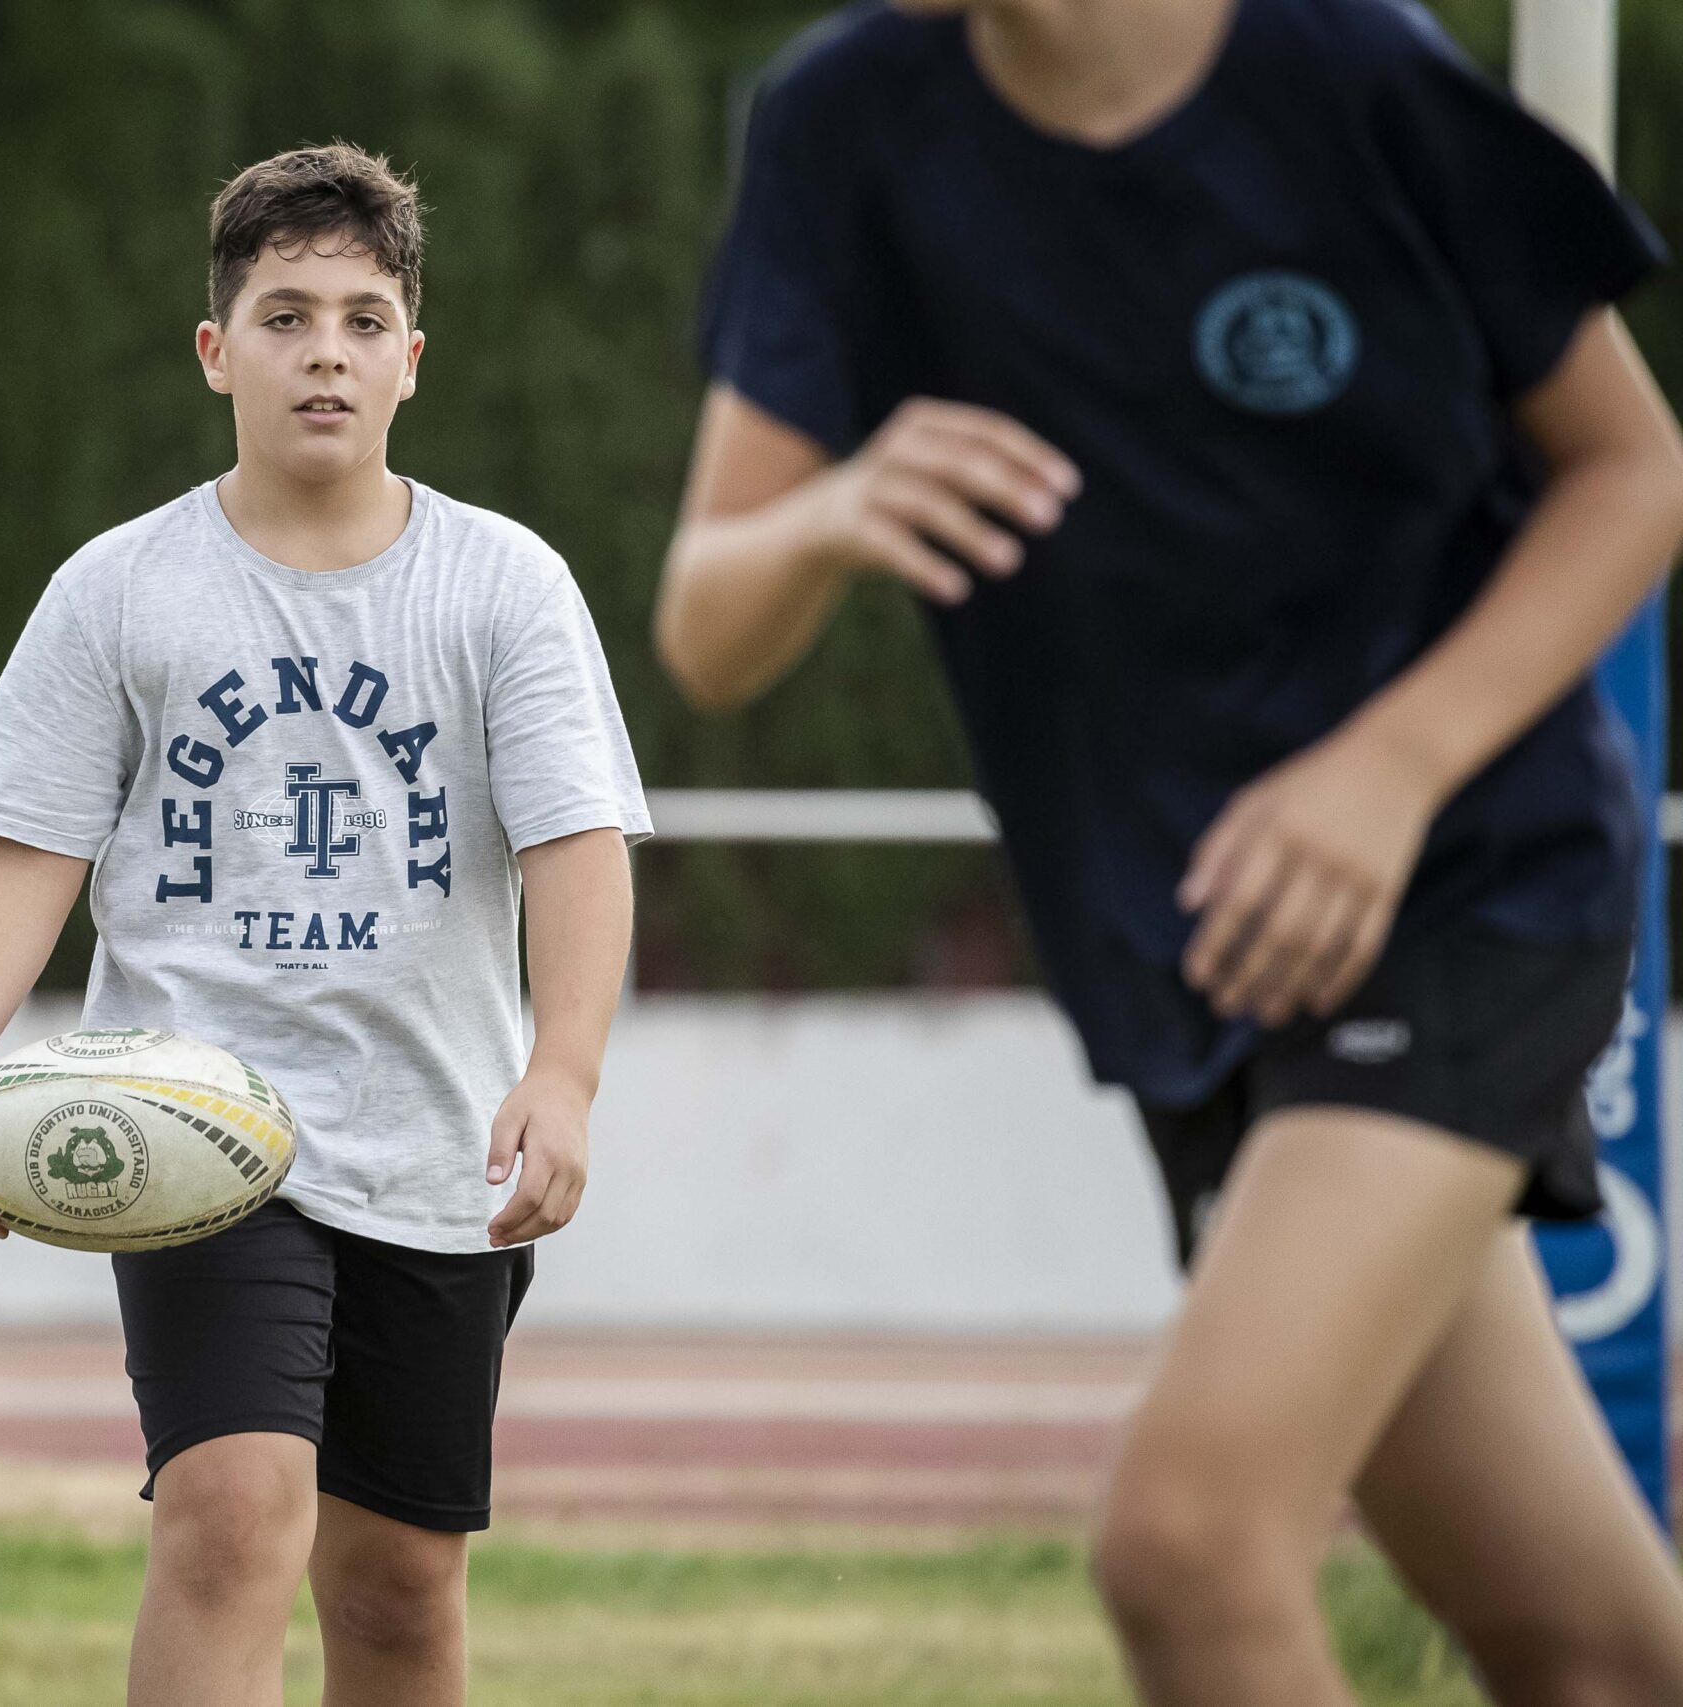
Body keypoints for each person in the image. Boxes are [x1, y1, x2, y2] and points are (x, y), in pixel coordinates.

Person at [657, 2, 1683, 1702]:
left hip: (1468, 885)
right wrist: (832, 515)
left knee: (1188, 1549)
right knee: (1584, 1647)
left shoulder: (1355, 71)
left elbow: (1634, 469)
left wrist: (1392, 768)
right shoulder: (843, 123)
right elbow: (707, 625)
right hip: (1202, 955)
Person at [0, 143, 649, 1707]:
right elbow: (24, 855)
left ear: (413, 362)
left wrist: (563, 1072)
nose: (326, 352)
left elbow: (578, 849)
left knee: (394, 1595)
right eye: (287, 314)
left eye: (365, 320)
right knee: (231, 1522)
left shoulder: (505, 585)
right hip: (203, 1127)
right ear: (215, 349)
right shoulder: (120, 590)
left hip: (439, 1144)